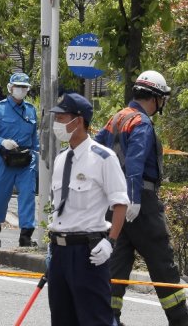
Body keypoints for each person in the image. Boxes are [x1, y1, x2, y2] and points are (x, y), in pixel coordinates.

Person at [95, 71, 188, 326]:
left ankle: (108, 318)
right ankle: (180, 318)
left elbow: (95, 150)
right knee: (161, 258)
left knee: (117, 261)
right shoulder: (141, 122)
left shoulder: (115, 119)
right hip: (141, 203)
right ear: (157, 98)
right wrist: (134, 199)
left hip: (113, 203)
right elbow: (135, 163)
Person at [47, 93, 129, 326]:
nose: (57, 124)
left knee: (95, 320)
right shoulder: (62, 158)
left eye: (62, 118)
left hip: (88, 252)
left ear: (79, 121)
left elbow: (120, 203)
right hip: (60, 252)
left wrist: (110, 242)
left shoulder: (103, 158)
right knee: (62, 319)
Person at [0, 72, 39, 247]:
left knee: (28, 196)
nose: (20, 90)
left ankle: (26, 235)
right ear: (10, 88)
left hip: (26, 160)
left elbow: (34, 137)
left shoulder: (31, 109)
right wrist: (2, 142)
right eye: (17, 87)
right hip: (4, 158)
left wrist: (37, 155)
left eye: (24, 87)